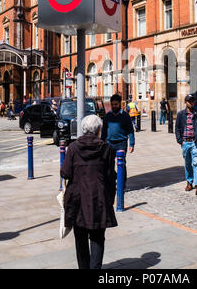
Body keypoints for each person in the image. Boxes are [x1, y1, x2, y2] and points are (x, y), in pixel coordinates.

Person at [61, 115, 117, 270]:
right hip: (98, 198)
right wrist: (110, 199)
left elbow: (65, 173)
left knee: (80, 239)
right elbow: (110, 177)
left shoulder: (73, 147)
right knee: (98, 238)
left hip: (77, 199)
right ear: (99, 130)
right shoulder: (105, 148)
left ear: (83, 129)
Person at [101, 94, 135, 188]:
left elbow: (130, 130)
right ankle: (111, 183)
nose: (114, 106)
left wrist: (132, 144)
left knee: (122, 164)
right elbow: (104, 131)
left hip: (121, 143)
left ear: (120, 104)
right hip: (109, 143)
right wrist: (101, 142)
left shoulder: (125, 116)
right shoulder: (107, 116)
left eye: (116, 104)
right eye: (112, 105)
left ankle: (122, 184)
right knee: (109, 164)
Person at [175, 94, 197, 196]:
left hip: (195, 142)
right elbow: (177, 128)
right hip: (185, 142)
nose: (192, 103)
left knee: (196, 163)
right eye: (189, 101)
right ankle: (189, 182)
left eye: (193, 101)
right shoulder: (180, 114)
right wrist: (180, 141)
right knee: (188, 164)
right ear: (185, 102)